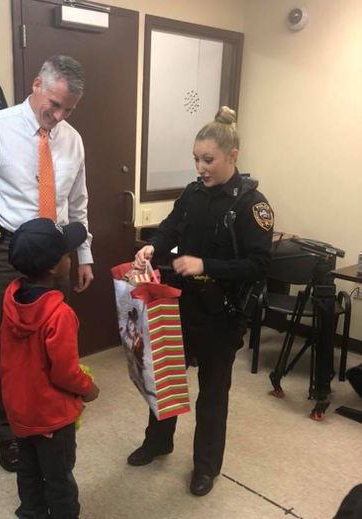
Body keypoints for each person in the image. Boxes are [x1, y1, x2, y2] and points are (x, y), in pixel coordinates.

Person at [0, 55, 94, 471]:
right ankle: (10, 431)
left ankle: (51, 421)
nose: (59, 116)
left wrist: (84, 255)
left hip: (56, 259)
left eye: (69, 109)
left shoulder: (72, 139)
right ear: (36, 86)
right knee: (9, 349)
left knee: (52, 345)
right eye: (55, 105)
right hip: (4, 254)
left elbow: (77, 203)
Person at [128, 106, 274, 496]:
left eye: (208, 159)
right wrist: (151, 247)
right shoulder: (193, 193)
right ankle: (158, 441)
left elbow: (259, 266)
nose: (200, 167)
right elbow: (171, 227)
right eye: (196, 158)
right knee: (166, 377)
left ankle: (206, 466)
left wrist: (205, 263)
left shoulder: (251, 205)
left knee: (212, 393)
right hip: (180, 304)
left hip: (222, 315)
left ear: (233, 156)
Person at [0, 217, 100, 519]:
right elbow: (64, 372)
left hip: (19, 411)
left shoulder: (10, 299)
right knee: (59, 478)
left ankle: (30, 512)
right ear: (55, 267)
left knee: (28, 470)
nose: (70, 258)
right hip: (52, 417)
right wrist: (89, 388)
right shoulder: (60, 314)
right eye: (67, 254)